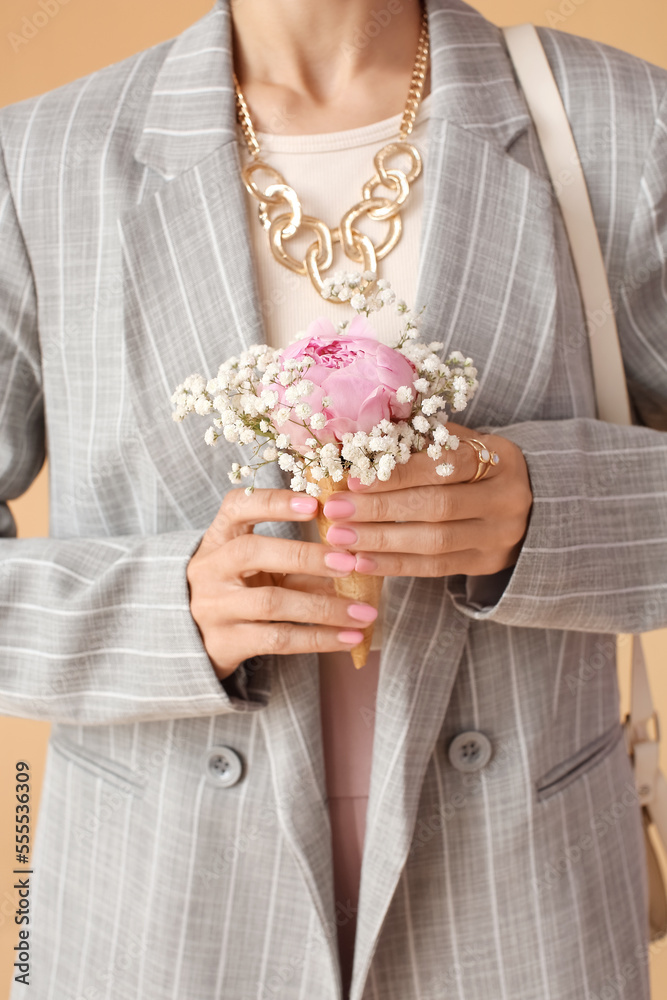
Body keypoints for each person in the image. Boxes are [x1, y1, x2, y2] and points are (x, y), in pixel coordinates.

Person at [0, 0, 665, 997]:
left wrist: (548, 512)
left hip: (527, 911)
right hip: (154, 920)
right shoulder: (40, 160)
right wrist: (162, 613)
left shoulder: (623, 124)